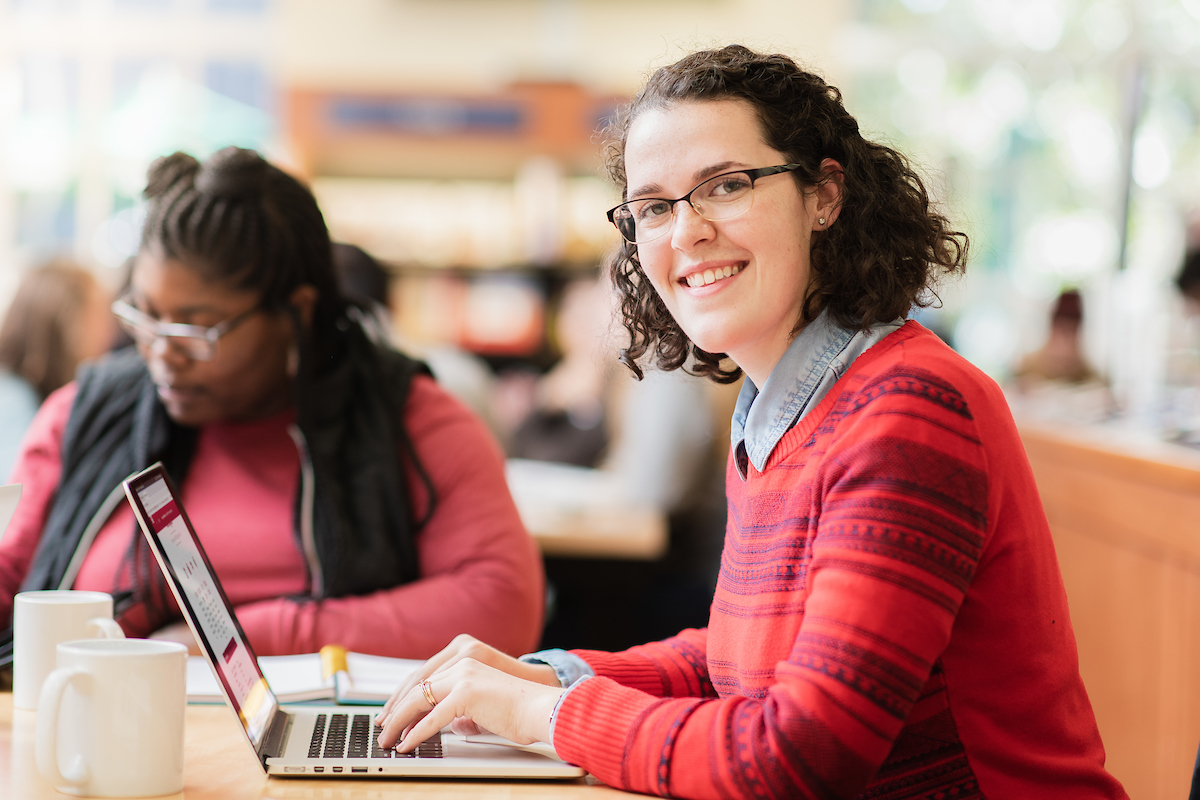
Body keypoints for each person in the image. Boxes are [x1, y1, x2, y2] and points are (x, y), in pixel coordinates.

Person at [374, 45, 1128, 799]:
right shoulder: (779, 406)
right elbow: (736, 660)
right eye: (655, 206)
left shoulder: (908, 409)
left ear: (824, 195)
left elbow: (802, 754)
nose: (686, 230)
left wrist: (545, 713)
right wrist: (543, 673)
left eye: (726, 185)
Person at [0, 147, 544, 661]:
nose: (162, 354)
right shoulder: (84, 416)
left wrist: (242, 638)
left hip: (315, 748)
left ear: (296, 313)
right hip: (90, 735)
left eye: (196, 329)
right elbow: (10, 573)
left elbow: (501, 605)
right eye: (144, 317)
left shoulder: (409, 420)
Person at [0, 260, 115, 480]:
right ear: (72, 327)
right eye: (99, 313)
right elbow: (20, 488)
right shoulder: (13, 398)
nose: (110, 328)